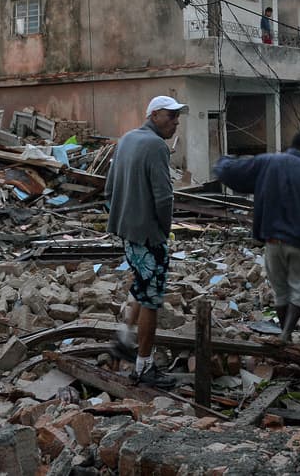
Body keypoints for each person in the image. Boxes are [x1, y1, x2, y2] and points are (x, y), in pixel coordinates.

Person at [213, 132, 300, 343]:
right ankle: (286, 333)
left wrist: (223, 161)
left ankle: (284, 333)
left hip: (272, 241)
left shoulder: (267, 162)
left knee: (281, 292)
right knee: (299, 289)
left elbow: (233, 173)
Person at [105, 95, 185, 388]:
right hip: (149, 234)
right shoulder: (156, 146)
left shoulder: (126, 139)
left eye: (178, 117)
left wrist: (120, 221)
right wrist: (163, 231)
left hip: (129, 233)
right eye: (171, 116)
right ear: (153, 115)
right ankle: (144, 367)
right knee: (151, 299)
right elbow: (165, 198)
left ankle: (123, 342)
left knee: (140, 285)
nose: (176, 122)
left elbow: (109, 187)